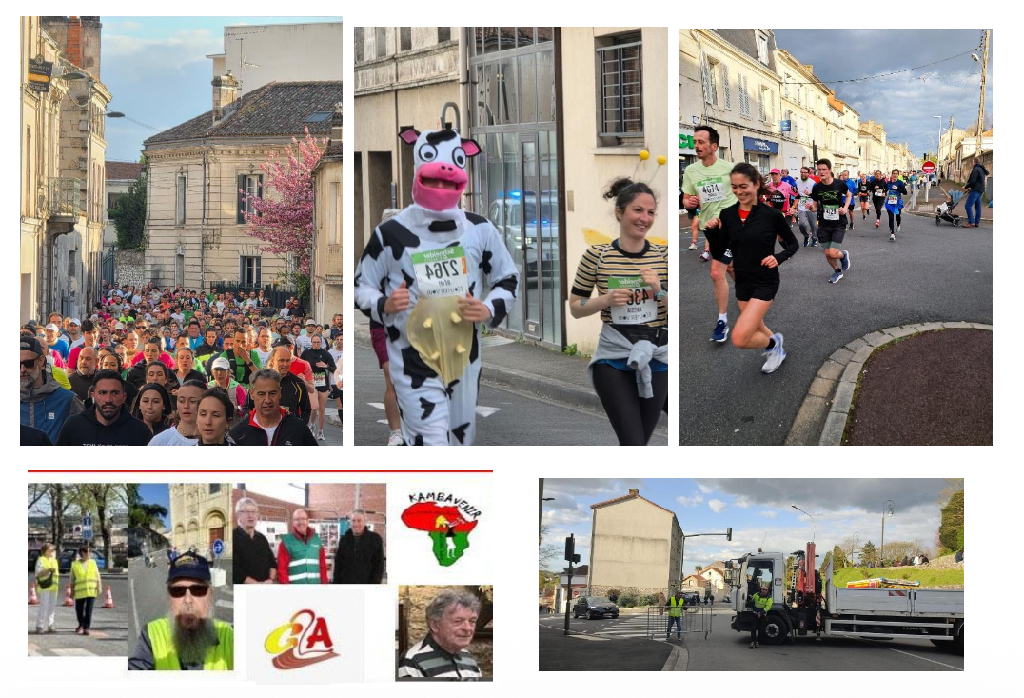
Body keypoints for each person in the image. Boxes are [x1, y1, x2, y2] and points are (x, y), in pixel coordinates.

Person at [354, 124, 519, 446]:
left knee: (457, 444)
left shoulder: (479, 229)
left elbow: (508, 278)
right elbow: (362, 285)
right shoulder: (391, 233)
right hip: (411, 358)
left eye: (448, 178)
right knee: (431, 441)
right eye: (433, 178)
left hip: (463, 359)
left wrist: (487, 308)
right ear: (418, 173)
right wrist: (384, 304)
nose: (441, 184)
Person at [571, 178, 668, 445]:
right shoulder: (597, 255)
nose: (645, 218)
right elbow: (576, 308)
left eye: (651, 212)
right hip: (613, 356)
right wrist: (606, 300)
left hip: (657, 355)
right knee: (633, 444)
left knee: (638, 444)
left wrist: (658, 289)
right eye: (638, 210)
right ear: (619, 212)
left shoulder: (663, 255)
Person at [704, 163, 798, 373]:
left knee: (740, 337)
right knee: (756, 326)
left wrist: (778, 257)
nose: (739, 191)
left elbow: (793, 244)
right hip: (742, 280)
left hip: (766, 280)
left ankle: (775, 346)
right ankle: (776, 348)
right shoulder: (727, 215)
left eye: (743, 186)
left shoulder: (772, 215)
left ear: (756, 184)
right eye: (734, 187)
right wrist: (711, 233)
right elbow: (721, 252)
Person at [128, 552, 233, 670]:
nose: (188, 600)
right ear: (169, 597)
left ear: (210, 596)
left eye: (198, 590)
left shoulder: (229, 637)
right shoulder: (151, 635)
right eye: (178, 591)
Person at [681, 125, 737, 343]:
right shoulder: (691, 171)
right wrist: (689, 202)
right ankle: (746, 291)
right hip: (709, 227)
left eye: (701, 142)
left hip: (730, 226)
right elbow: (686, 198)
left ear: (714, 146)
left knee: (716, 272)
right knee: (729, 266)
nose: (696, 146)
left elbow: (744, 193)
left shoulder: (730, 168)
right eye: (694, 142)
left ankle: (722, 321)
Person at [398, 588, 482, 679]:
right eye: (458, 621)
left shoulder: (469, 658)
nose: (468, 628)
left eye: (472, 621)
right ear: (434, 624)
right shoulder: (412, 662)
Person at [55, 370, 153, 445]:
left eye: (114, 393)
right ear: (93, 396)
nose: (108, 399)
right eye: (102, 393)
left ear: (124, 397)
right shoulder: (73, 426)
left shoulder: (140, 431)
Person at [21, 335, 84, 443]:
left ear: (41, 361)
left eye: (28, 363)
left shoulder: (67, 400)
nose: (22, 369)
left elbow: (87, 436)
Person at [229, 369, 318, 445]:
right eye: (261, 394)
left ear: (280, 393)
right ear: (252, 394)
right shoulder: (238, 434)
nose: (267, 400)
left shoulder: (298, 428)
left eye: (272, 393)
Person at [809, 159, 852, 284]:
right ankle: (837, 271)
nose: (821, 172)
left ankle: (843, 255)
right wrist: (811, 207)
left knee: (833, 252)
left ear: (829, 170)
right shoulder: (817, 187)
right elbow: (815, 207)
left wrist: (844, 208)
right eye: (819, 170)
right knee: (827, 253)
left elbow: (849, 195)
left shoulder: (839, 184)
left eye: (824, 169)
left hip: (838, 222)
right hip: (823, 223)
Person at [331, 509, 385, 584]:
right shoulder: (344, 540)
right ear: (350, 522)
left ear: (365, 522)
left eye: (359, 521)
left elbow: (379, 567)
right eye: (353, 521)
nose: (356, 524)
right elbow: (338, 565)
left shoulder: (375, 539)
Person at [276, 508, 328, 584]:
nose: (300, 522)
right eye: (297, 519)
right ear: (293, 522)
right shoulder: (286, 542)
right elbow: (282, 569)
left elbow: (322, 566)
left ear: (307, 521)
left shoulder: (317, 540)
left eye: (303, 519)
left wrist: (324, 584)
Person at [262, 344, 311, 422]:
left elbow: (306, 410)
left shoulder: (298, 383)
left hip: (289, 431)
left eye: (288, 360)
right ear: (272, 361)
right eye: (281, 360)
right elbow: (248, 408)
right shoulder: (260, 381)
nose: (285, 364)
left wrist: (301, 429)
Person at [301, 334, 337, 441]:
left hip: (322, 382)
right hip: (311, 382)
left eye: (318, 342)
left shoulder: (325, 353)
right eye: (314, 342)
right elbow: (300, 364)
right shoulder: (306, 352)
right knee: (314, 408)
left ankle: (321, 431)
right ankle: (312, 424)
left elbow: (334, 369)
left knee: (322, 409)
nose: (316, 344)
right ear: (311, 343)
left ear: (321, 343)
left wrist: (325, 366)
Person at [232, 497, 276, 584]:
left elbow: (272, 563)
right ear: (238, 515)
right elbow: (235, 570)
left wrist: (270, 579)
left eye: (253, 512)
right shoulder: (233, 537)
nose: (250, 515)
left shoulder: (262, 538)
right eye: (246, 511)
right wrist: (257, 584)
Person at [149, 380, 205, 446]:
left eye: (192, 401)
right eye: (181, 401)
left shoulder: (217, 439)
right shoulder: (160, 442)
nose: (186, 406)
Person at [71, 546, 102, 636]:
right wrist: (72, 592)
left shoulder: (93, 563)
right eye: (88, 552)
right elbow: (72, 579)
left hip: (91, 591)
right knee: (79, 610)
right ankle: (81, 624)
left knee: (89, 610)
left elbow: (97, 576)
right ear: (83, 553)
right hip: (80, 591)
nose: (90, 554)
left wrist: (99, 586)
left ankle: (86, 628)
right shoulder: (74, 564)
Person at [34, 543, 60, 634]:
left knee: (52, 607)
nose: (53, 552)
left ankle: (51, 625)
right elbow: (38, 574)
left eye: (53, 550)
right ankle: (40, 626)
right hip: (44, 586)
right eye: (51, 550)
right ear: (45, 551)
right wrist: (48, 570)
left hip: (54, 586)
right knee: (44, 606)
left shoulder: (54, 561)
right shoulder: (41, 560)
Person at [794, 166, 818, 248]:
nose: (803, 174)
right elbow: (797, 195)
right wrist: (794, 206)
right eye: (801, 172)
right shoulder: (797, 182)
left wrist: (810, 194)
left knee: (814, 225)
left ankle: (814, 238)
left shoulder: (813, 183)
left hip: (811, 206)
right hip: (801, 206)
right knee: (801, 224)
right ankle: (806, 236)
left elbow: (817, 196)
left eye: (805, 172)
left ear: (808, 173)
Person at [963, 157, 989, 228]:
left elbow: (973, 181)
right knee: (978, 207)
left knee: (967, 206)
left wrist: (966, 186)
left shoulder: (975, 169)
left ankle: (971, 222)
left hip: (975, 190)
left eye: (972, 162)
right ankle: (976, 223)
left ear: (974, 162)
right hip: (981, 190)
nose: (972, 164)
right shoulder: (981, 169)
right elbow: (978, 180)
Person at [884, 169, 909, 241]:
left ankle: (898, 224)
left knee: (898, 216)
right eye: (894, 173)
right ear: (892, 174)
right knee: (891, 218)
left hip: (897, 202)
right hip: (890, 202)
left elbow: (905, 192)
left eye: (896, 174)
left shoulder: (900, 183)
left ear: (898, 175)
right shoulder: (888, 183)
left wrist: (897, 188)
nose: (895, 175)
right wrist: (883, 193)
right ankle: (892, 233)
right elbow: (884, 190)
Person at [751, 583, 773, 649]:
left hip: (762, 615)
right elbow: (752, 600)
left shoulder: (769, 598)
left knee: (761, 630)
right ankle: (753, 642)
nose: (764, 591)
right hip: (755, 614)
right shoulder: (756, 595)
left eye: (765, 589)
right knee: (753, 628)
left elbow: (768, 606)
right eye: (763, 589)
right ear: (761, 589)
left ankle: (757, 642)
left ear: (767, 590)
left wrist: (761, 612)